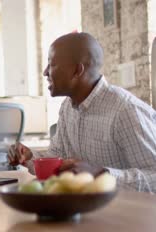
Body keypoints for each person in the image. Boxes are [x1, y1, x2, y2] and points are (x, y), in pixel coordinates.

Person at [8, 32, 156, 193]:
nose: (45, 72)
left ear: (77, 70)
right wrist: (29, 157)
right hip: (88, 212)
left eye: (52, 65)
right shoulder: (67, 107)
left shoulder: (125, 110)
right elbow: (58, 160)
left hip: (129, 215)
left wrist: (101, 174)